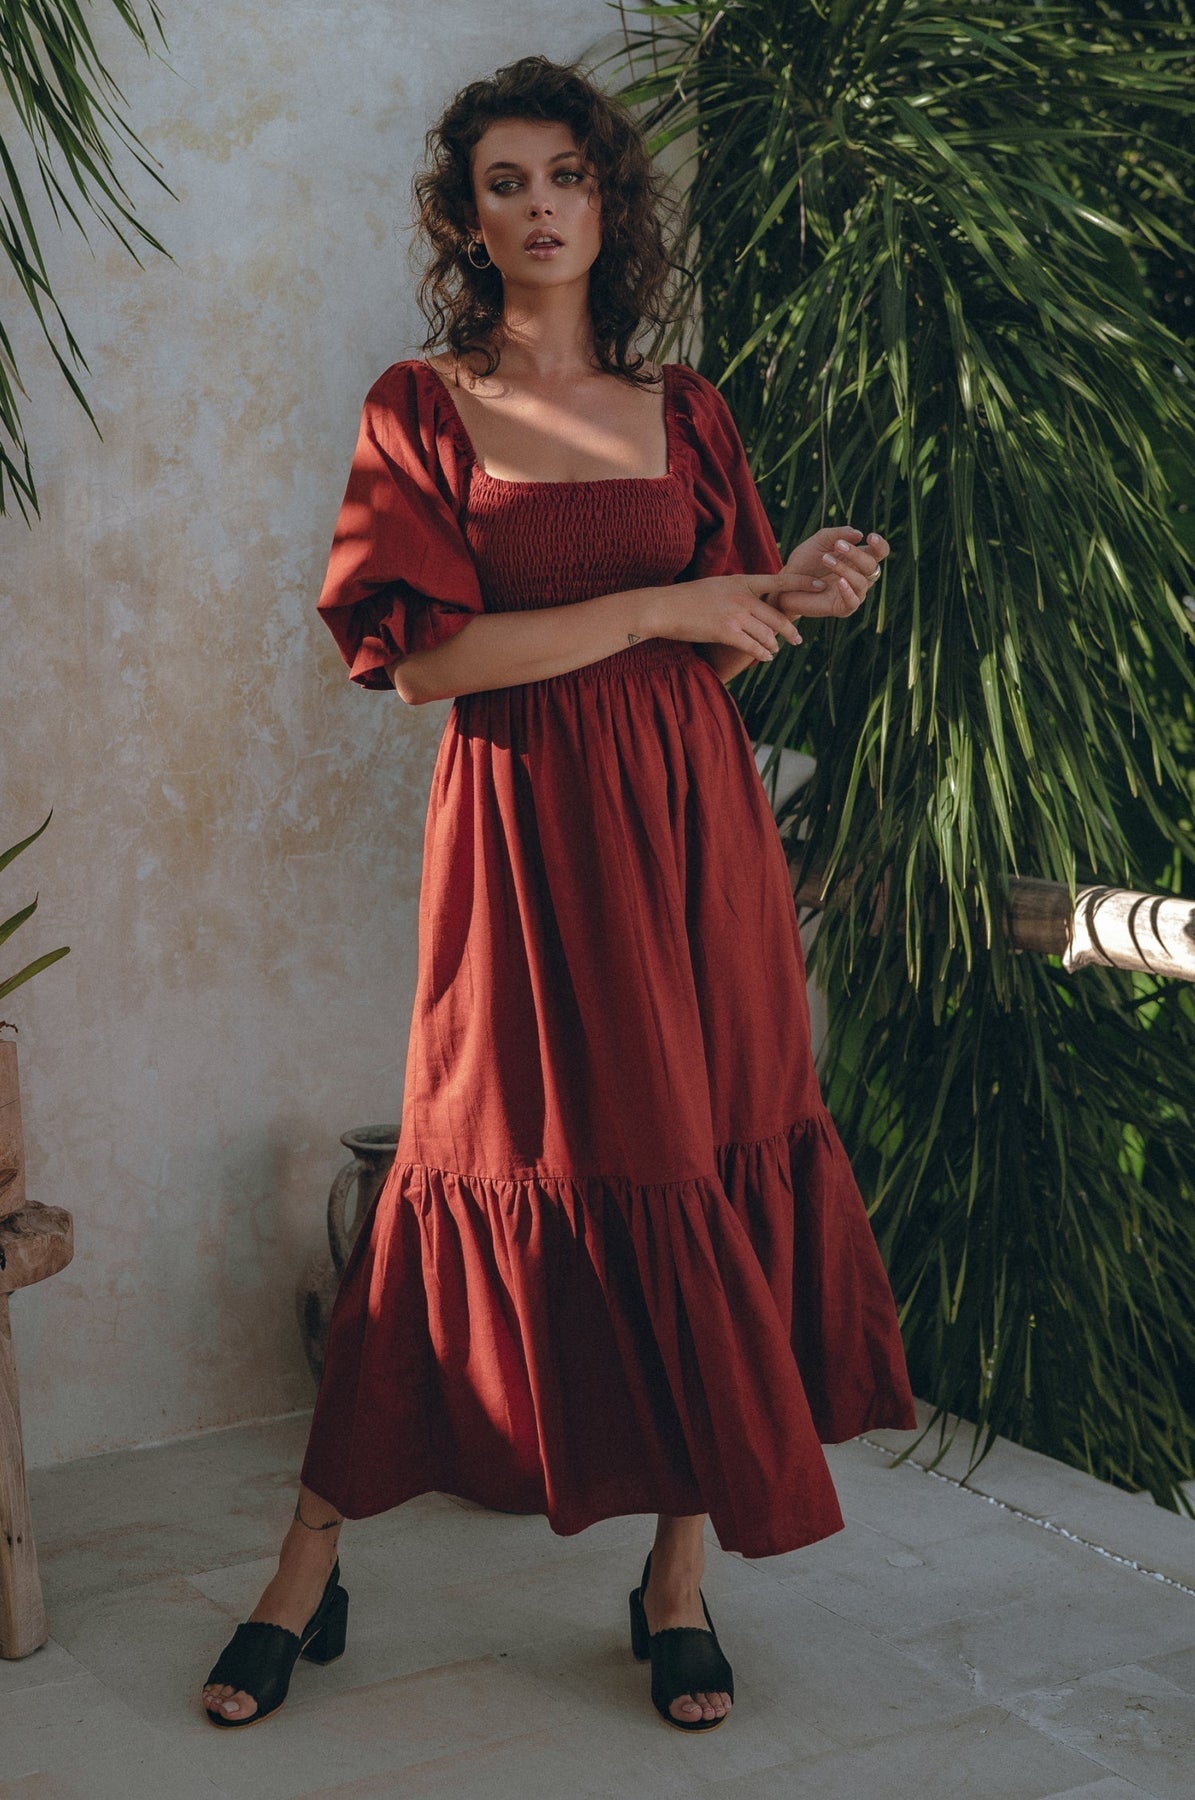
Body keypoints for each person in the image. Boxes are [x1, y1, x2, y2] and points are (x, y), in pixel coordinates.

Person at [201, 52, 916, 1736]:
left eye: (568, 177)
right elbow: (425, 665)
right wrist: (660, 607)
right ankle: (305, 1571)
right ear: (466, 217)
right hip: (520, 844)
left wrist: (786, 591)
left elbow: (717, 632)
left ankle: (676, 1578)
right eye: (505, 183)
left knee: (707, 1154)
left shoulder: (688, 409)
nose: (539, 208)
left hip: (695, 835)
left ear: (611, 203)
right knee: (473, 1158)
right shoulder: (421, 405)